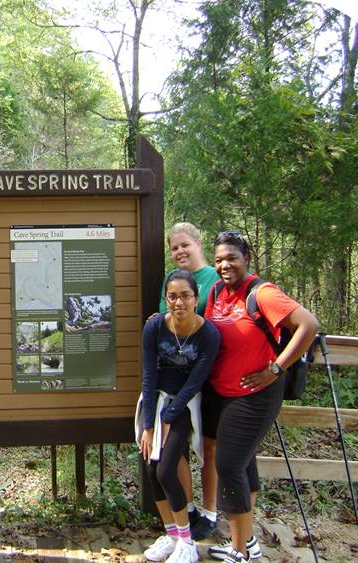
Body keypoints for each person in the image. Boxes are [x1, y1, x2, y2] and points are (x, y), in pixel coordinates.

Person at [204, 231, 319, 563]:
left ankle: (240, 550)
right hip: (223, 393)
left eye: (232, 258)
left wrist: (276, 368)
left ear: (246, 259)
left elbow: (308, 325)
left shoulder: (262, 292)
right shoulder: (217, 292)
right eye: (220, 260)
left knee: (227, 465)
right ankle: (248, 540)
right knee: (242, 464)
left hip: (256, 395)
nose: (225, 265)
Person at [139, 269, 221, 562]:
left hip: (187, 403)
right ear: (166, 298)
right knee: (151, 466)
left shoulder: (208, 334)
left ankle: (187, 544)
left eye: (185, 296)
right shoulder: (154, 328)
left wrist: (169, 416)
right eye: (172, 296)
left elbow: (195, 382)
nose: (179, 302)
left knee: (165, 468)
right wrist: (149, 424)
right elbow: (149, 377)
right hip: (155, 400)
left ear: (195, 298)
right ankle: (171, 534)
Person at [158, 222, 220, 539]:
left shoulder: (214, 279)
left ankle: (210, 512)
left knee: (210, 447)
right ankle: (190, 507)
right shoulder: (172, 282)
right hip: (174, 381)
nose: (180, 252)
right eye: (174, 247)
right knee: (172, 448)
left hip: (208, 377)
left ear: (198, 243)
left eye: (185, 245)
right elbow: (163, 322)